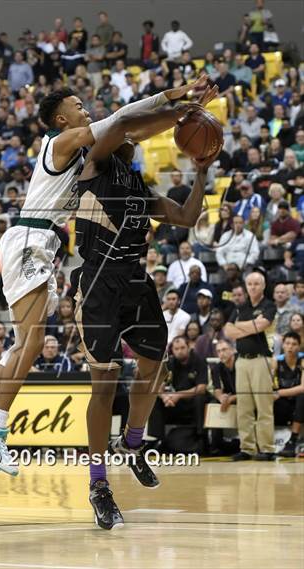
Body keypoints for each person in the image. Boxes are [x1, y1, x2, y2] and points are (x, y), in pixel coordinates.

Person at [0, 78, 216, 476]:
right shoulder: (61, 143)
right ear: (62, 117)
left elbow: (133, 131)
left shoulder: (86, 157)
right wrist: (175, 97)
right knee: (33, 340)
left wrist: (182, 113)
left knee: (19, 345)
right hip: (32, 237)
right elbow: (124, 120)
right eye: (79, 105)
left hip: (41, 243)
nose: (86, 108)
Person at [69, 92, 218, 529]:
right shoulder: (93, 162)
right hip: (97, 282)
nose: (131, 139)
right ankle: (99, 484)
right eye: (127, 135)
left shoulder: (138, 186)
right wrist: (175, 107)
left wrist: (202, 171)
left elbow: (188, 217)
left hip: (135, 280)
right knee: (104, 383)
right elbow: (121, 124)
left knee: (155, 366)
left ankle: (131, 443)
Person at [224, 271, 277, 460]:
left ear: (263, 286)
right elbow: (228, 331)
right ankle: (247, 448)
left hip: (261, 360)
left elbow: (262, 325)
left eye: (256, 284)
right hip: (242, 361)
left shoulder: (269, 305)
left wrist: (242, 327)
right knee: (244, 407)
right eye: (250, 284)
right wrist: (251, 325)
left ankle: (267, 449)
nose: (253, 287)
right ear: (246, 287)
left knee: (263, 406)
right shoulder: (240, 307)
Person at [148, 335, 208, 448]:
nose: (179, 351)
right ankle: (157, 440)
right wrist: (164, 397)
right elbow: (157, 386)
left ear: (189, 346)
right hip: (175, 403)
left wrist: (178, 395)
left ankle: (201, 439)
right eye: (176, 349)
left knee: (200, 398)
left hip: (192, 402)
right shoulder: (170, 362)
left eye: (182, 348)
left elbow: (201, 388)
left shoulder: (199, 360)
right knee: (154, 399)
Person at [273, 332, 304, 457]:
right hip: (282, 404)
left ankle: (292, 440)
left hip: (298, 404)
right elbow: (270, 385)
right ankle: (262, 443)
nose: (290, 347)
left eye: (294, 344)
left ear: (299, 346)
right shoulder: (276, 362)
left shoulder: (302, 361)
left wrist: (279, 392)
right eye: (287, 343)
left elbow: (303, 388)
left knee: (303, 397)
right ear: (283, 345)